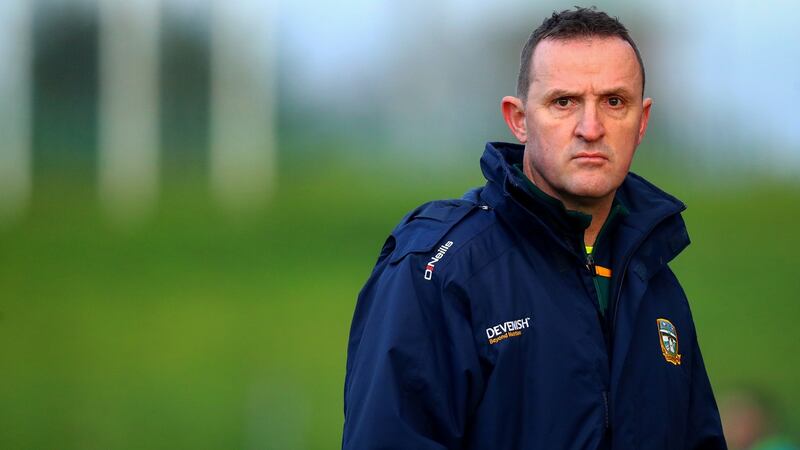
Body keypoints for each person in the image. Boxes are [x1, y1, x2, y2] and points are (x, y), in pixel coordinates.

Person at [343, 7, 727, 449]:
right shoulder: (438, 269)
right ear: (519, 119)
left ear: (641, 122)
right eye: (564, 102)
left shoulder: (654, 282)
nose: (591, 128)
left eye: (613, 102)